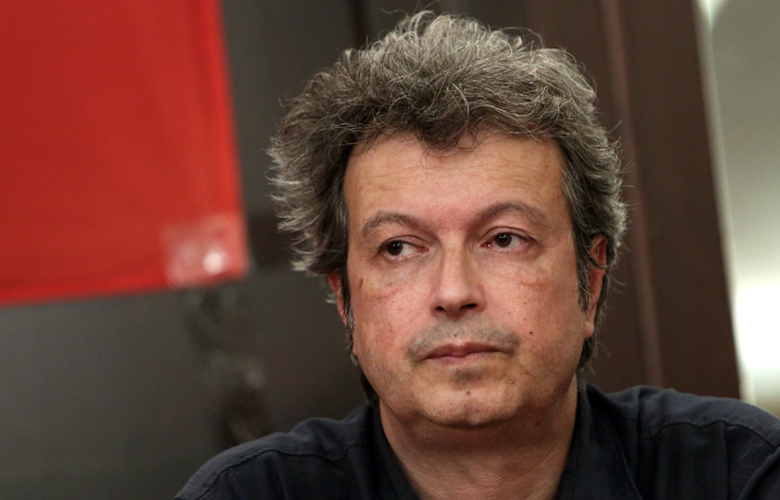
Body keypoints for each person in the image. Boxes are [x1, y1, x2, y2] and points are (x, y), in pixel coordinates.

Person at [176, 12, 780, 500]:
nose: (453, 292)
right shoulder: (248, 494)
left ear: (590, 280)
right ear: (345, 301)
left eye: (504, 238)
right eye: (398, 247)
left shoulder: (737, 471)